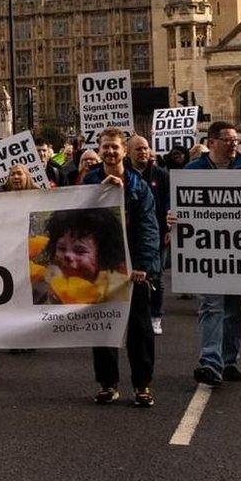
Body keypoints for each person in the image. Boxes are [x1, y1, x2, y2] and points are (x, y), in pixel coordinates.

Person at [177, 121, 241, 387]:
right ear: (212, 142)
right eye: (228, 140)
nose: (234, 144)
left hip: (239, 252)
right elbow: (178, 206)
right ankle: (210, 362)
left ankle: (229, 360)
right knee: (211, 305)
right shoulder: (192, 170)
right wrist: (173, 217)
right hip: (207, 252)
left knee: (234, 309)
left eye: (236, 140)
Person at [80, 128, 159, 407]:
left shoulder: (138, 186)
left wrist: (142, 265)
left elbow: (149, 228)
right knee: (103, 328)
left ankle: (142, 385)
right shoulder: (89, 182)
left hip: (132, 270)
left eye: (115, 147)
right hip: (100, 267)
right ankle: (108, 383)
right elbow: (78, 221)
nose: (110, 152)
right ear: (99, 151)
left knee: (139, 330)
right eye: (105, 147)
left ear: (124, 151)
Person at [126, 136, 170, 335]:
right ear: (129, 152)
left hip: (156, 232)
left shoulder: (161, 174)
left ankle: (156, 316)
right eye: (138, 149)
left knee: (156, 275)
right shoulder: (125, 174)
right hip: (129, 234)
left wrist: (169, 228)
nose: (143, 152)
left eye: (145, 148)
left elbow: (170, 201)